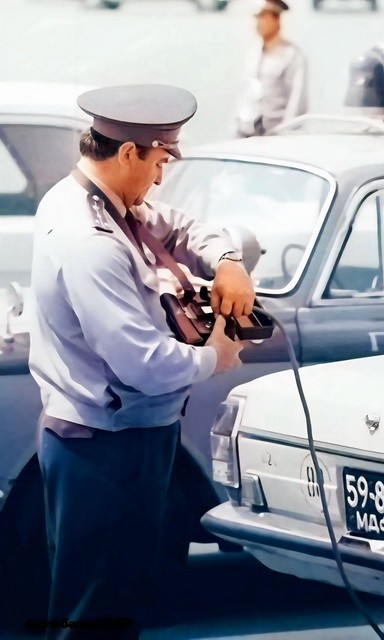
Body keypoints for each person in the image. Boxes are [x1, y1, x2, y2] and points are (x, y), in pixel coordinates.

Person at [28, 84, 256, 639]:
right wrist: (216, 355)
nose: (159, 178)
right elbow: (143, 364)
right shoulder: (91, 240)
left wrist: (228, 261)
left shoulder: (97, 200)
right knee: (97, 613)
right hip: (107, 448)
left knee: (112, 600)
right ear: (129, 152)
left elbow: (177, 225)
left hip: (118, 438)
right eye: (160, 161)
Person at [235, 0, 308, 137]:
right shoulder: (253, 53)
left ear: (276, 19)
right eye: (257, 17)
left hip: (275, 134)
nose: (258, 23)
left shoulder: (292, 55)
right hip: (247, 132)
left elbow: (297, 102)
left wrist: (286, 135)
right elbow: (245, 94)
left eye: (263, 17)